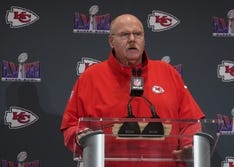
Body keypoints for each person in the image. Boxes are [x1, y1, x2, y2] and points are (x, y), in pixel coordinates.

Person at [60, 14, 205, 167]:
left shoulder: (168, 73)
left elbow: (190, 122)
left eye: (137, 34)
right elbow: (71, 126)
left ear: (144, 39)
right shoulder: (90, 78)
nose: (132, 39)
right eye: (124, 34)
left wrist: (189, 146)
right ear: (111, 41)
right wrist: (80, 136)